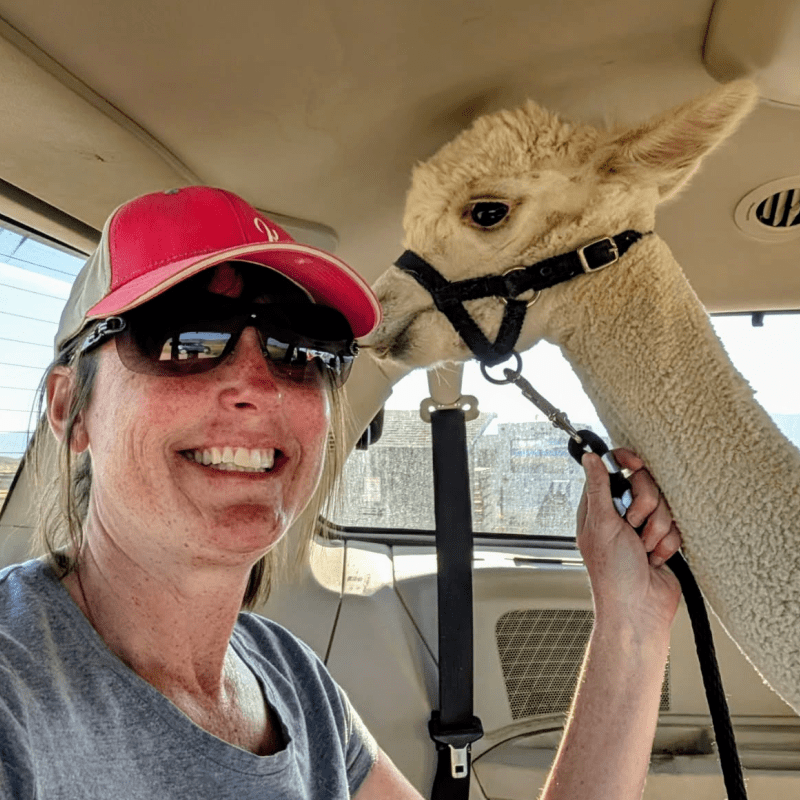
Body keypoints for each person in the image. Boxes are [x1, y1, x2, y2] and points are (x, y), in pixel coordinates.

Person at [0, 186, 682, 799]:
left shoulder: (296, 683)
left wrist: (633, 621)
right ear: (70, 409)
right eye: (186, 339)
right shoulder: (14, 693)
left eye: (302, 352)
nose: (260, 386)